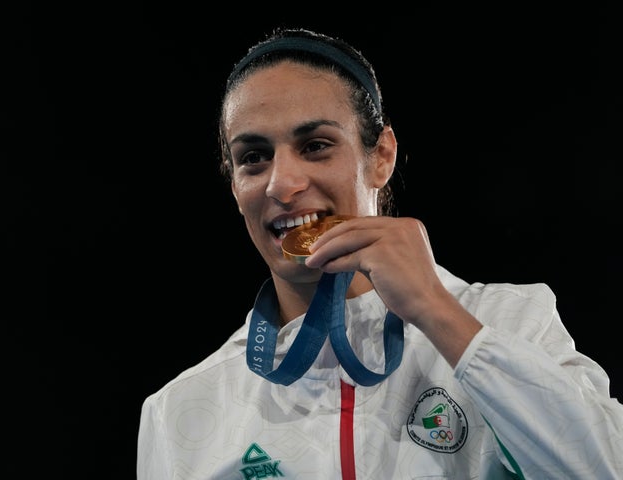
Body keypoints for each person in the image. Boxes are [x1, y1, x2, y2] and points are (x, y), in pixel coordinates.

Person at [137, 27, 623, 479]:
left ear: (382, 156)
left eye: (316, 145)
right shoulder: (181, 408)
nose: (282, 185)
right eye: (254, 157)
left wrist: (435, 311)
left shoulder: (509, 321)